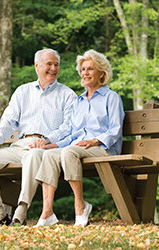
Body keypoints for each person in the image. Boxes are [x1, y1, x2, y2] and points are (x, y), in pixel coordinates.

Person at [0, 48, 77, 226]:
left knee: (33, 155)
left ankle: (21, 210)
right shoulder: (23, 92)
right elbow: (7, 122)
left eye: (56, 65)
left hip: (48, 149)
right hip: (20, 145)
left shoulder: (67, 95)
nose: (53, 68)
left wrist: (47, 140)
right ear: (37, 66)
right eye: (49, 64)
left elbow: (68, 127)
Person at [34, 49, 125, 226]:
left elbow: (115, 130)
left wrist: (94, 141)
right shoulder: (79, 101)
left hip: (104, 149)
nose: (85, 73)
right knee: (49, 155)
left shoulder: (111, 98)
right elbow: (73, 134)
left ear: (102, 73)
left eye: (90, 69)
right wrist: (53, 145)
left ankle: (80, 206)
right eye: (83, 69)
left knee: (68, 152)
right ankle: (47, 212)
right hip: (78, 149)